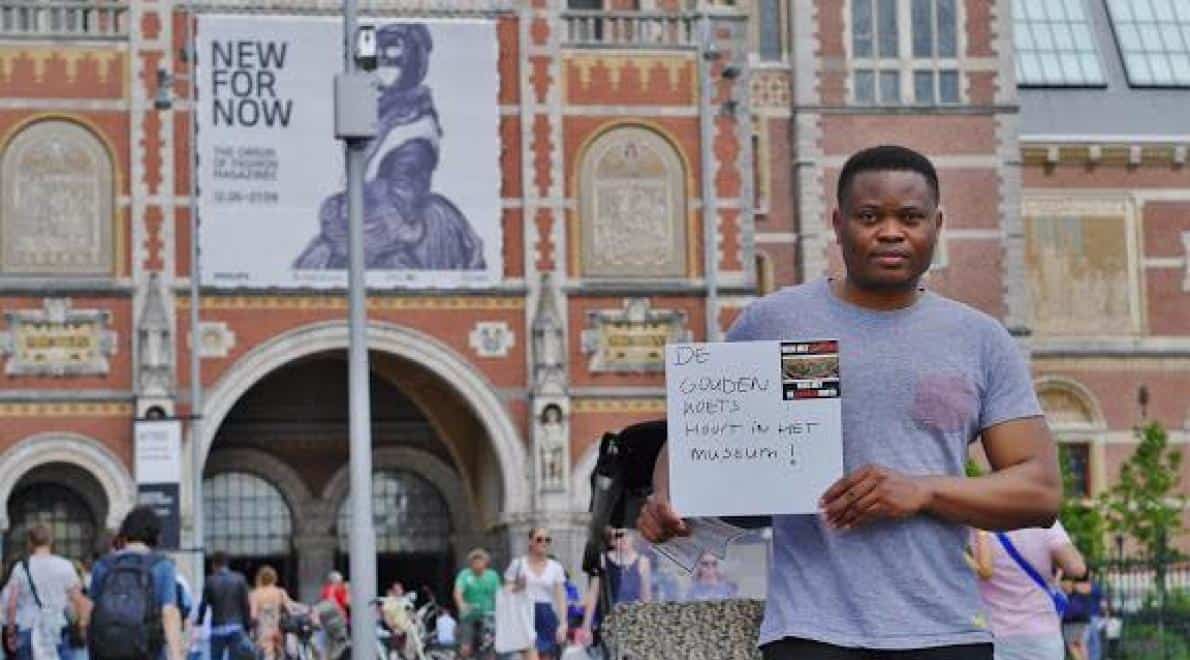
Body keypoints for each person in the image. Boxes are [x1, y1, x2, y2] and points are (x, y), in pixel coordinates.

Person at [637, 145, 1063, 660]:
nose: (890, 231)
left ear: (937, 224)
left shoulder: (979, 338)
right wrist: (668, 497)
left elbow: (1040, 492)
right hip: (810, 631)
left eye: (909, 217)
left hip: (946, 630)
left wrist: (923, 491)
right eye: (869, 217)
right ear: (838, 225)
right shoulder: (775, 324)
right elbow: (692, 441)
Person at [970, 523, 1086, 660]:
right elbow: (1076, 568)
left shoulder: (975, 520)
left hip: (993, 635)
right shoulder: (1042, 520)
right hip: (1042, 635)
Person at [88, 506, 184, 660]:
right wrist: (177, 655)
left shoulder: (102, 565)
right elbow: (169, 612)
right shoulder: (162, 566)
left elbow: (90, 611)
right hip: (148, 650)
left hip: (107, 649)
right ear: (156, 534)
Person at [2, 524, 90, 660]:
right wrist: (82, 625)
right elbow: (78, 599)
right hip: (58, 630)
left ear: (30, 542)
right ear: (51, 541)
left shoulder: (21, 568)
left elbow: (11, 603)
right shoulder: (65, 565)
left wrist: (10, 632)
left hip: (27, 629)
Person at [579, 529, 650, 644]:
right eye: (616, 536)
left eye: (625, 535)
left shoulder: (643, 562)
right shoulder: (602, 560)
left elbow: (646, 597)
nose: (622, 539)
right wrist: (586, 626)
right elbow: (593, 594)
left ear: (632, 536)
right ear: (611, 541)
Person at [505, 528, 567, 660]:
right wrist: (517, 587)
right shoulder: (518, 564)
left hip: (547, 616)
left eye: (547, 540)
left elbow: (561, 597)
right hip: (525, 615)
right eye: (539, 539)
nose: (543, 542)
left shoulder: (555, 567)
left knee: (547, 656)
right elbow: (506, 592)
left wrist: (563, 623)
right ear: (531, 542)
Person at [196, 552, 251, 660]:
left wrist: (200, 621)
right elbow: (245, 605)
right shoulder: (240, 579)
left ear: (214, 564)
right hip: (236, 627)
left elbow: (203, 605)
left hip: (217, 627)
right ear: (227, 564)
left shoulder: (210, 581)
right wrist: (247, 626)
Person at [452, 549, 500, 658]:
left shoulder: (492, 576)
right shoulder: (465, 575)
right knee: (465, 648)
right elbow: (458, 592)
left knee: (489, 648)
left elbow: (498, 595)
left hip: (487, 616)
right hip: (468, 617)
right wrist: (461, 604)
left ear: (486, 562)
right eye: (475, 561)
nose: (477, 563)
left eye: (480, 560)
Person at [248, 567, 291, 660]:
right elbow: (289, 611)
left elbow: (253, 616)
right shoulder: (280, 592)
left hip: (262, 632)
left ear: (259, 578)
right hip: (277, 631)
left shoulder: (255, 594)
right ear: (274, 578)